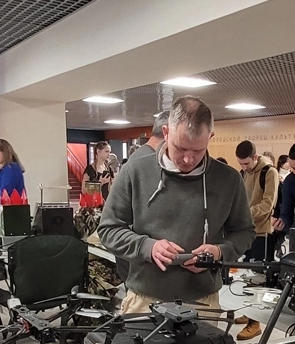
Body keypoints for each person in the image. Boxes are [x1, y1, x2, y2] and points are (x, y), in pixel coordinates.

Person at [98, 96, 255, 314]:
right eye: (180, 148)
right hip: (144, 301)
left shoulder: (228, 179)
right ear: (166, 133)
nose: (188, 160)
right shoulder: (135, 171)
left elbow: (245, 232)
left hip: (203, 302)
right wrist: (147, 247)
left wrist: (219, 252)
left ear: (210, 137)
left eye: (197, 151)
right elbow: (108, 229)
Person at [235, 140, 279, 262]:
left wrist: (246, 213)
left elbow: (268, 204)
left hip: (262, 233)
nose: (244, 167)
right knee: (242, 273)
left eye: (246, 163)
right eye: (240, 164)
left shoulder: (270, 172)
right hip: (245, 232)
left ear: (255, 157)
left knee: (258, 276)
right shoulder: (243, 173)